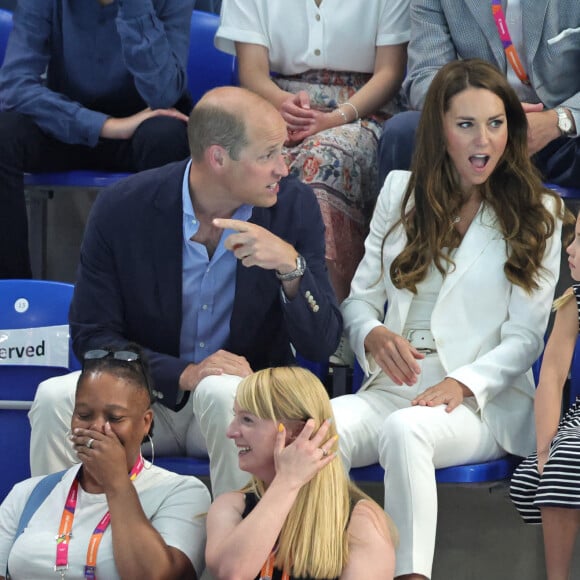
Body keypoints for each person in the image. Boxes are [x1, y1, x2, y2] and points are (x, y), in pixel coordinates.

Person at [28, 86, 342, 498]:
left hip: (235, 408)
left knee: (221, 388)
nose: (283, 168)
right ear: (218, 158)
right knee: (54, 398)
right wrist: (185, 374)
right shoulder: (124, 209)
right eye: (268, 155)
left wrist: (290, 268)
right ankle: (55, 551)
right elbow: (92, 337)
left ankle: (243, 555)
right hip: (142, 398)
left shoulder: (293, 209)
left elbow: (321, 343)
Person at [330, 58, 569, 580]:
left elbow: (526, 338)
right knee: (321, 428)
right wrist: (371, 333)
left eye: (496, 123)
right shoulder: (400, 191)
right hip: (391, 387)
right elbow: (358, 300)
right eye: (466, 125)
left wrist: (462, 382)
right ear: (440, 129)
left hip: (481, 403)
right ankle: (329, 567)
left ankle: (410, 576)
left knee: (408, 430)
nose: (483, 140)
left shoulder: (540, 213)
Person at [215, 0, 409, 305]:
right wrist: (285, 106)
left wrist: (337, 117)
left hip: (360, 106)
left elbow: (390, 72)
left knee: (322, 160)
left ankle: (329, 308)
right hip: (275, 102)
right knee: (245, 158)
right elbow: (251, 73)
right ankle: (248, 307)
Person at [0, 0, 195, 279]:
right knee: (3, 134)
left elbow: (164, 94)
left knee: (167, 136)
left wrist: (134, 7)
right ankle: (13, 296)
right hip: (66, 121)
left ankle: (151, 292)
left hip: (144, 122)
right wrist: (107, 126)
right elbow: (15, 86)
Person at [0, 346, 211, 580]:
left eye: (115, 418)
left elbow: (158, 576)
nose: (97, 428)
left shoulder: (182, 492)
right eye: (84, 415)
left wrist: (116, 483)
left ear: (145, 423)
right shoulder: (27, 494)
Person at [205, 366, 397, 579]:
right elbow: (232, 574)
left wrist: (288, 480)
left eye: (247, 420)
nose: (231, 431)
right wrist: (286, 482)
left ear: (297, 432)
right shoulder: (230, 507)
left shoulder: (361, 521)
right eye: (235, 416)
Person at [378, 0, 580, 189]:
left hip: (561, 127)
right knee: (402, 133)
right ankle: (412, 225)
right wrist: (489, 114)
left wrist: (559, 120)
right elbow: (424, 75)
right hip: (473, 122)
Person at [510, 212, 580, 580]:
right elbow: (551, 377)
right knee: (563, 458)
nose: (569, 248)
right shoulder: (575, 302)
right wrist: (543, 449)